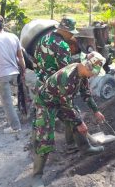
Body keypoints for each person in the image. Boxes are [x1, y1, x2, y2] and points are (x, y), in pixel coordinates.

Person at [31, 51, 106, 187]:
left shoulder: (82, 74)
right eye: (94, 71)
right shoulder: (68, 77)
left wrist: (96, 111)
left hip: (61, 101)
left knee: (77, 118)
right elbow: (67, 105)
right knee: (45, 136)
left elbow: (86, 94)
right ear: (86, 66)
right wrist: (79, 123)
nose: (94, 74)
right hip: (46, 103)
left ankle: (85, 148)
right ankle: (37, 176)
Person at [33, 17, 80, 150]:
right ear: (64, 30)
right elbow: (66, 72)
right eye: (71, 32)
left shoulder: (43, 39)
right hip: (55, 87)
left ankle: (36, 146)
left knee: (40, 117)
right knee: (71, 113)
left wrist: (41, 76)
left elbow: (35, 62)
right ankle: (72, 145)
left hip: (41, 83)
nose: (72, 35)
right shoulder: (62, 46)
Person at [0, 14, 26, 133]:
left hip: (1, 74)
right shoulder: (13, 36)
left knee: (7, 102)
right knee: (22, 94)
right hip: (15, 71)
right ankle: (25, 116)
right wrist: (23, 71)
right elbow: (20, 56)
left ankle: (15, 127)